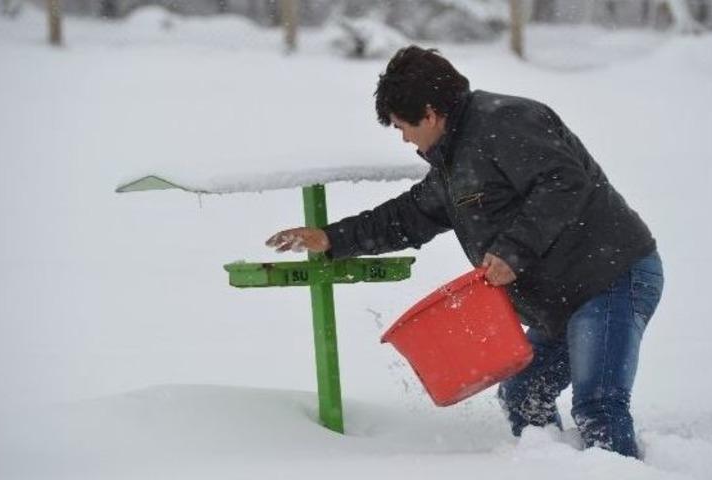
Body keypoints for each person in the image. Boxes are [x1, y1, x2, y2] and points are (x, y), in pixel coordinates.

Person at [265, 46, 663, 458]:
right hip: (562, 300)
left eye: (403, 126)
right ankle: (553, 466)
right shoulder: (453, 161)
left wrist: (513, 251)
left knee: (598, 405)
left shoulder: (506, 122)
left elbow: (563, 182)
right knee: (523, 394)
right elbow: (410, 216)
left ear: (430, 114)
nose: (404, 139)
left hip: (610, 277)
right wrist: (332, 238)